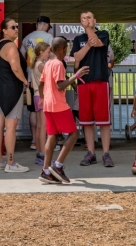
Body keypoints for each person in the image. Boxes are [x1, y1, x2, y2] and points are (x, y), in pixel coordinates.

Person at [39, 37, 88, 184]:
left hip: (48, 105)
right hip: (59, 105)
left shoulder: (47, 64)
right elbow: (60, 86)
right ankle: (58, 165)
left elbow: (42, 84)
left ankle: (46, 170)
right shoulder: (59, 64)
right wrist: (76, 75)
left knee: (52, 136)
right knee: (74, 133)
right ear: (63, 49)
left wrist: (43, 98)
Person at [69, 11, 115, 167]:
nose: (86, 20)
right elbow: (77, 57)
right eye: (83, 18)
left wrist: (89, 31)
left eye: (89, 18)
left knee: (103, 121)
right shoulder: (78, 39)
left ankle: (106, 153)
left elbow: (96, 42)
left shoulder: (103, 34)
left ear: (95, 20)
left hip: (100, 81)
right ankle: (91, 153)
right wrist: (87, 44)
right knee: (86, 121)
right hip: (84, 83)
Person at [0, 18, 31, 173]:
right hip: (10, 89)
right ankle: (11, 163)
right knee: (11, 127)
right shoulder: (10, 46)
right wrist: (26, 82)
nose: (16, 29)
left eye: (17, 26)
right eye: (13, 27)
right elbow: (15, 68)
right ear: (4, 30)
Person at [21, 16, 53, 152]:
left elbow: (22, 58)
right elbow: (53, 58)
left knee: (32, 110)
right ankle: (43, 143)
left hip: (29, 77)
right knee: (44, 119)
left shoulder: (26, 39)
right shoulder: (49, 38)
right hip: (43, 83)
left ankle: (34, 139)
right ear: (46, 25)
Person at [31, 41, 53, 164]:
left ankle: (39, 154)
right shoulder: (41, 65)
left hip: (36, 96)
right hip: (42, 96)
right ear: (41, 52)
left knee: (40, 127)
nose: (49, 54)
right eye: (48, 52)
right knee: (43, 127)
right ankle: (43, 155)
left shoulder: (35, 64)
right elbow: (51, 76)